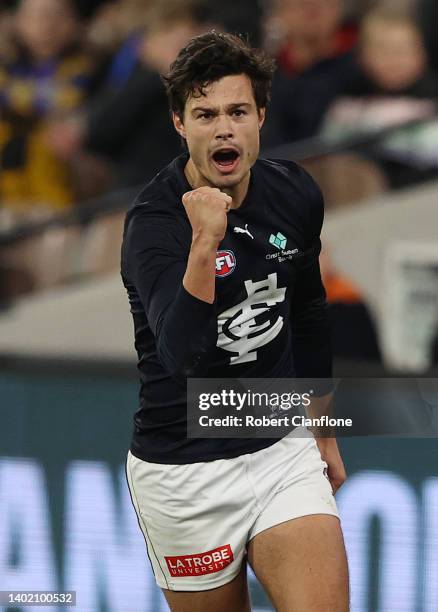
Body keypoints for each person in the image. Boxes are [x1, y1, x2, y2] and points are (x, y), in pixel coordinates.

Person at [121, 32, 349, 611]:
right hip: (183, 469)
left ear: (260, 117)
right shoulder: (153, 225)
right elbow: (182, 356)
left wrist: (322, 428)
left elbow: (309, 309)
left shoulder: (295, 192)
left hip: (279, 446)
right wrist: (205, 242)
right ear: (180, 124)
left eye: (237, 111)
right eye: (205, 114)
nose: (223, 128)